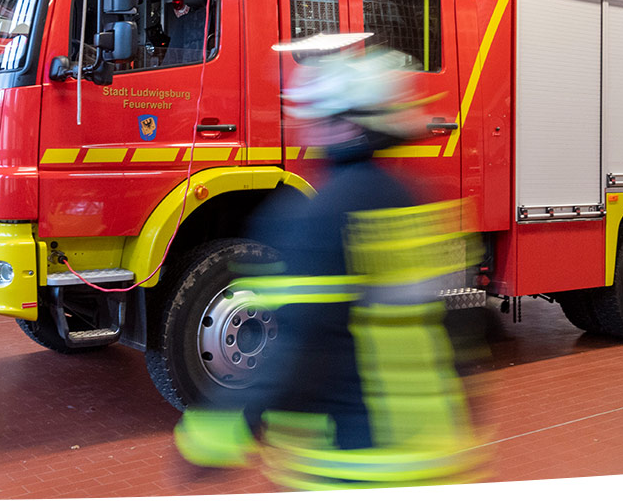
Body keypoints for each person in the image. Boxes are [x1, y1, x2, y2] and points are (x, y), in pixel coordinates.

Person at [173, 37, 485, 490]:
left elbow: (301, 341)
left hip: (353, 457)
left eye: (318, 119)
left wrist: (216, 434)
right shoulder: (417, 202)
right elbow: (460, 323)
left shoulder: (316, 215)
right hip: (432, 445)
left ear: (347, 125)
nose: (309, 129)